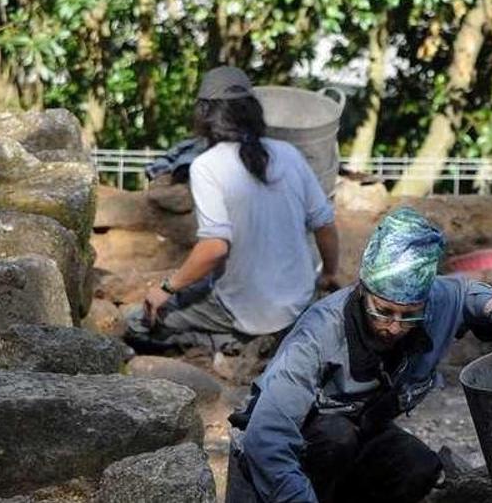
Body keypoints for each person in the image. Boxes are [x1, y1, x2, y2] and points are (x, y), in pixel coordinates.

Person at [224, 207, 492, 503]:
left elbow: (464, 293)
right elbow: (266, 440)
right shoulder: (318, 335)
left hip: (360, 432)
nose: (393, 326)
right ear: (364, 290)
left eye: (408, 315)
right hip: (281, 461)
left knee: (418, 467)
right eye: (384, 311)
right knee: (336, 438)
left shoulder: (433, 304)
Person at [133, 66, 340, 354]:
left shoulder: (206, 166)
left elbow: (215, 247)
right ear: (253, 111)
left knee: (137, 322)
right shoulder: (289, 154)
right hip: (297, 302)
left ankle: (234, 343)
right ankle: (271, 338)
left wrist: (166, 288)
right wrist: (329, 273)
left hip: (241, 307)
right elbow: (325, 224)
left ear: (204, 114)